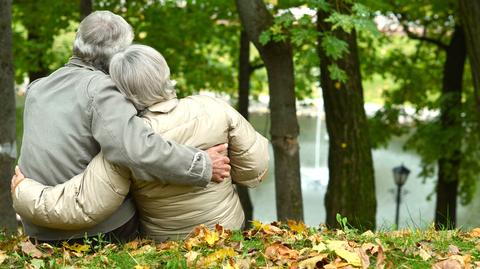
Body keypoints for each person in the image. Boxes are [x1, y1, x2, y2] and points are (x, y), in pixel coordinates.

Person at [12, 44, 269, 242]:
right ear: (165, 73)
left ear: (122, 92)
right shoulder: (214, 109)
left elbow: (85, 204)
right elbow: (255, 169)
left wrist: (24, 191)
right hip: (228, 232)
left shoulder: (129, 142)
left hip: (168, 244)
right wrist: (224, 172)